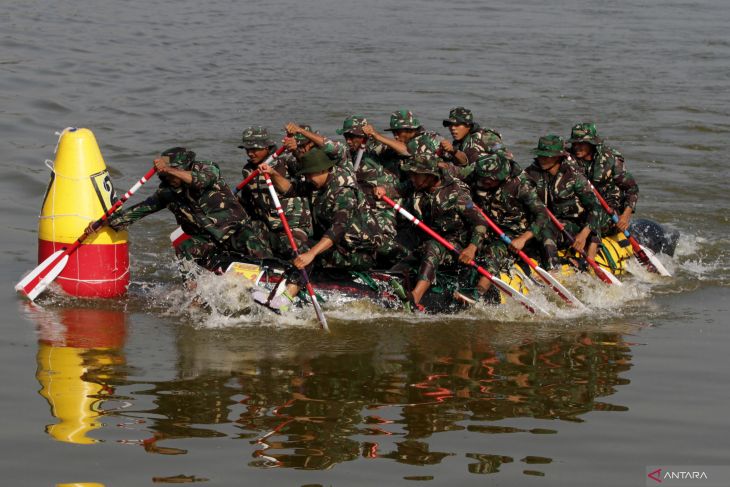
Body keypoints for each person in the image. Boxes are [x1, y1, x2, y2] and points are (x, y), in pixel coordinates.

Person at [100, 147, 270, 273]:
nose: (170, 179)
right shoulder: (166, 192)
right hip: (207, 239)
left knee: (263, 259)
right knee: (184, 247)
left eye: (174, 174)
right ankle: (193, 291)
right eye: (167, 176)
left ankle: (274, 278)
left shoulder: (207, 169)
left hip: (236, 230)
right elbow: (139, 210)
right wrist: (104, 223)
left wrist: (168, 168)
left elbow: (199, 181)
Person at [260, 148, 387, 301]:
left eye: (310, 174)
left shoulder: (343, 191)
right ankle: (290, 282)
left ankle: (286, 298)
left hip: (357, 252)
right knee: (294, 243)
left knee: (306, 249)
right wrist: (273, 174)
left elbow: (338, 229)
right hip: (340, 246)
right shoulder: (319, 183)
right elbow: (290, 190)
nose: (307, 178)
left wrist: (311, 254)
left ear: (324, 170)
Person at [376, 153, 490, 309]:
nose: (412, 178)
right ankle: (382, 282)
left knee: (432, 247)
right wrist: (384, 190)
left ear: (430, 175)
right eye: (411, 175)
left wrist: (471, 248)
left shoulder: (456, 193)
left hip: (455, 245)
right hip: (426, 238)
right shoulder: (417, 184)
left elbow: (480, 222)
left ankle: (415, 297)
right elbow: (397, 190)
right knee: (391, 248)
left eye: (416, 175)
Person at [467, 150, 559, 275]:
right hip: (491, 228)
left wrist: (523, 238)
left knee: (546, 231)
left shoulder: (521, 185)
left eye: (489, 180)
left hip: (517, 233)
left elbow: (542, 215)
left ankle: (552, 268)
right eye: (483, 179)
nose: (485, 183)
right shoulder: (478, 174)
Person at [336, 115, 407, 265]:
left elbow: (405, 150)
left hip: (382, 207)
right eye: (345, 136)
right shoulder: (348, 154)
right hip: (360, 207)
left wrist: (375, 135)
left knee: (378, 240)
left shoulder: (377, 147)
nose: (348, 140)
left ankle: (406, 259)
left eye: (352, 137)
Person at [523, 135, 603, 262]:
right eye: (540, 155)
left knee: (546, 229)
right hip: (544, 220)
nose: (541, 159)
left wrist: (583, 235)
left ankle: (554, 268)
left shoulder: (574, 176)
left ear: (558, 157)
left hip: (573, 225)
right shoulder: (531, 173)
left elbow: (596, 208)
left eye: (546, 156)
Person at [236, 126, 312, 259]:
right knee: (244, 238)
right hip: (265, 225)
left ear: (266, 147)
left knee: (294, 247)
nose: (250, 153)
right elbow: (248, 202)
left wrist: (296, 151)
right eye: (247, 149)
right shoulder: (248, 171)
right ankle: (264, 269)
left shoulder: (285, 160)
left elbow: (307, 166)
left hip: (292, 225)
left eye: (254, 149)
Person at [568, 122, 639, 233]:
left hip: (608, 208)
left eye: (581, 144)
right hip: (582, 207)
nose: (576, 147)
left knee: (593, 224)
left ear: (591, 143)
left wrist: (625, 217)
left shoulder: (610, 159)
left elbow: (632, 189)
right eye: (574, 143)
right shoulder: (567, 158)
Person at [362, 109, 442, 179]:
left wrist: (377, 135)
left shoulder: (425, 138)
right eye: (394, 132)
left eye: (398, 132)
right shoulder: (411, 139)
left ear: (409, 130)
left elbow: (406, 150)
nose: (395, 136)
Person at [440, 107, 508, 167]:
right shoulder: (458, 143)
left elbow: (505, 157)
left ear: (468, 126)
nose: (453, 128)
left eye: (457, 125)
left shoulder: (485, 136)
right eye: (450, 125)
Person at [283, 122, 354, 176]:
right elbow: (302, 161)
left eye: (302, 146)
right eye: (297, 147)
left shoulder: (329, 154)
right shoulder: (294, 156)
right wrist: (294, 151)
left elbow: (335, 147)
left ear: (311, 143)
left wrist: (300, 130)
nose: (300, 149)